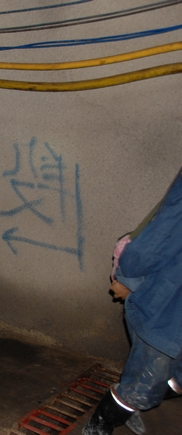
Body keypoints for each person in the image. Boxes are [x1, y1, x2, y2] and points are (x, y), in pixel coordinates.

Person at [82, 169, 182, 435]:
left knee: (168, 377)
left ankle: (132, 403)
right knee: (145, 381)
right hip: (168, 307)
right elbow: (160, 236)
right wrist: (128, 277)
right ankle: (103, 420)